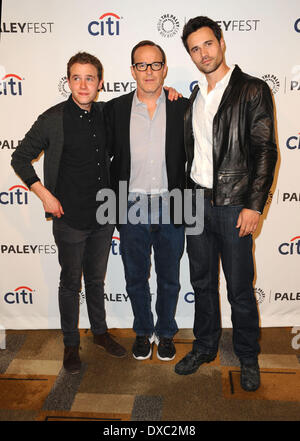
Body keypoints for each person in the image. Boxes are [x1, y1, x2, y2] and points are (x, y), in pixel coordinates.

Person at [174, 17, 277, 391]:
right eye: (195, 48)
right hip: (197, 202)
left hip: (235, 205)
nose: (203, 53)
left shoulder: (251, 90)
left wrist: (254, 205)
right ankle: (205, 346)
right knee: (202, 282)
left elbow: (265, 150)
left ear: (221, 42)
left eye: (207, 44)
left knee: (238, 287)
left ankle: (248, 355)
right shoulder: (195, 98)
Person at [11, 52, 127, 374]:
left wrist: (171, 93)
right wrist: (44, 194)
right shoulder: (52, 118)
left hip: (103, 218)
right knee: (69, 283)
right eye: (76, 78)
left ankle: (100, 333)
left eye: (90, 78)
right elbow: (20, 158)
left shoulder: (107, 114)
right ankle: (71, 344)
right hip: (69, 220)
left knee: (96, 279)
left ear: (100, 82)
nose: (83, 84)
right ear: (68, 81)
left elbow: (141, 102)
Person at [105, 40, 188, 362]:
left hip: (174, 202)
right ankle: (143, 331)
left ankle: (166, 333)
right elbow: (102, 158)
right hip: (130, 204)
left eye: (155, 65)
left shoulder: (183, 106)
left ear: (164, 69)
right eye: (142, 65)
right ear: (132, 71)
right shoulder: (115, 108)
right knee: (135, 276)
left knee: (170, 277)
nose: (149, 71)